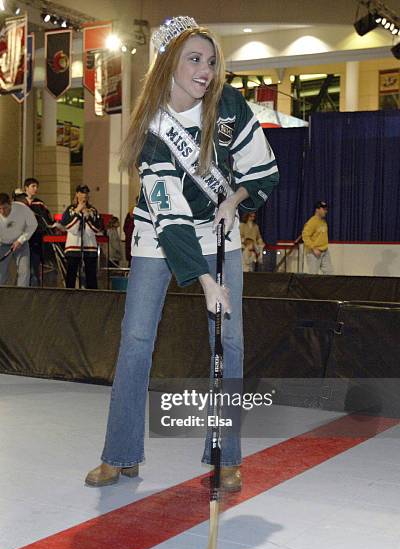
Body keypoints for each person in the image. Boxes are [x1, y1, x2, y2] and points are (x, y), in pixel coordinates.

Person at [85, 16, 279, 489]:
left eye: (211, 61)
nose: (205, 71)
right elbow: (169, 217)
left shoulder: (230, 106)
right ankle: (121, 452)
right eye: (194, 59)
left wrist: (234, 200)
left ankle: (225, 454)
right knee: (135, 342)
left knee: (228, 344)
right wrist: (208, 282)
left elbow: (264, 170)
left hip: (220, 230)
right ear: (168, 64)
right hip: (159, 235)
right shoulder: (151, 129)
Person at [60, 185, 103, 289]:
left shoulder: (92, 210)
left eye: (86, 193)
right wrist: (77, 213)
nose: (84, 195)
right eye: (82, 193)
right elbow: (69, 227)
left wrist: (87, 217)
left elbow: (96, 229)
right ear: (77, 194)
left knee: (91, 277)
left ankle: (92, 299)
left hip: (90, 247)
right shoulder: (70, 209)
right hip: (73, 247)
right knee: (71, 275)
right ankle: (69, 297)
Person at [14, 178, 54, 286]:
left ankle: (34, 295)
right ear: (26, 188)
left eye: (36, 186)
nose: (35, 189)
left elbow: (47, 219)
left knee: (34, 269)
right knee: (22, 269)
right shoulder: (18, 202)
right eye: (33, 186)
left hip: (36, 239)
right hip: (21, 240)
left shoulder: (39, 203)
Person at [0, 192, 37, 287]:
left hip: (21, 243)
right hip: (3, 244)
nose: (2, 212)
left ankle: (22, 296)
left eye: (5, 208)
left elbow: (33, 225)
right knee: (1, 272)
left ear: (10, 203)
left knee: (23, 270)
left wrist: (21, 240)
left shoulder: (22, 209)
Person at [302, 201, 333, 274]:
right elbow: (305, 236)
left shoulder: (323, 221)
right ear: (317, 209)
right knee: (313, 275)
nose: (326, 211)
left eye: (326, 209)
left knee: (329, 273)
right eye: (324, 209)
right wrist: (313, 248)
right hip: (313, 253)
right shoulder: (312, 222)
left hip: (324, 251)